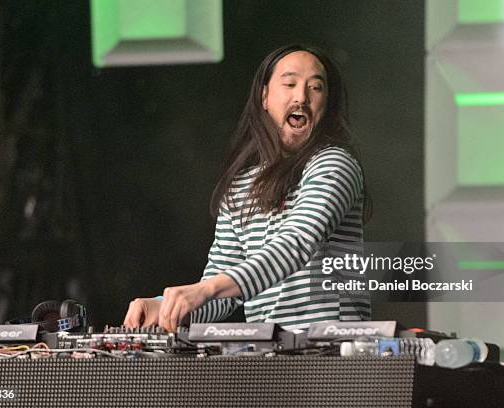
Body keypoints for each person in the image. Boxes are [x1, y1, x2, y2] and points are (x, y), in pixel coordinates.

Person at [123, 44, 371, 332]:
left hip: (337, 351)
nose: (301, 97)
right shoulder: (241, 185)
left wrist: (208, 289)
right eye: (289, 84)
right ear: (264, 97)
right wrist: (164, 305)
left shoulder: (335, 163)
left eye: (315, 88)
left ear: (326, 104)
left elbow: (296, 243)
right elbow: (223, 291)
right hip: (272, 355)